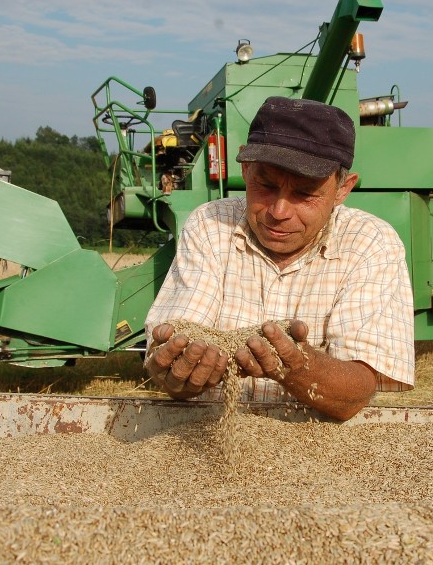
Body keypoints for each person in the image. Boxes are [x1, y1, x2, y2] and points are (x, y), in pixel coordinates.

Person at [144, 96, 414, 421]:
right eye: (265, 185)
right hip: (208, 432)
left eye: (305, 194)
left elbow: (353, 395)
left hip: (316, 445)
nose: (279, 212)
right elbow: (175, 360)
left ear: (342, 189)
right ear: (245, 170)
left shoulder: (370, 242)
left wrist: (294, 364)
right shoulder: (210, 225)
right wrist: (177, 370)